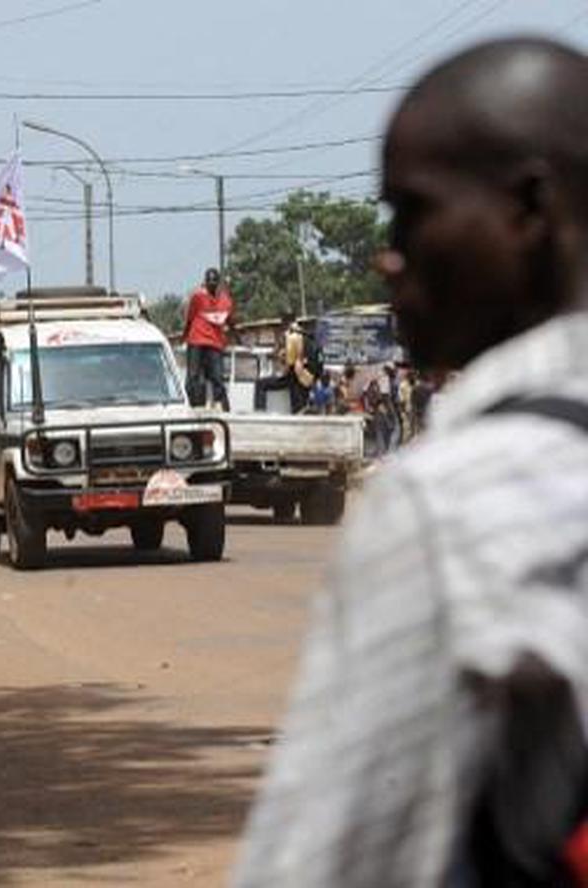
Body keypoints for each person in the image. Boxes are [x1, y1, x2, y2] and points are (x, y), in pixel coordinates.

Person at [234, 38, 588, 887]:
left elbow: (324, 865)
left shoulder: (453, 503)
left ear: (531, 211)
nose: (388, 255)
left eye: (414, 213)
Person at [182, 267, 233, 410]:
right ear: (205, 282)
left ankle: (223, 407)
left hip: (214, 343)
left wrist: (239, 339)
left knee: (217, 377)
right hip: (196, 340)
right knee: (193, 376)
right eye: (209, 280)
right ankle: (191, 406)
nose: (211, 283)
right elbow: (190, 319)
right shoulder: (198, 297)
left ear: (218, 282)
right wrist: (184, 336)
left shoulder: (226, 300)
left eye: (214, 280)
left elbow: (230, 321)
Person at [254, 315, 316, 414]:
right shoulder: (306, 337)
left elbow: (289, 362)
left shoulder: (291, 338)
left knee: (261, 383)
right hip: (306, 379)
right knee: (293, 385)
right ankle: (298, 410)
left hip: (295, 377)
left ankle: (259, 411)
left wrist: (283, 367)